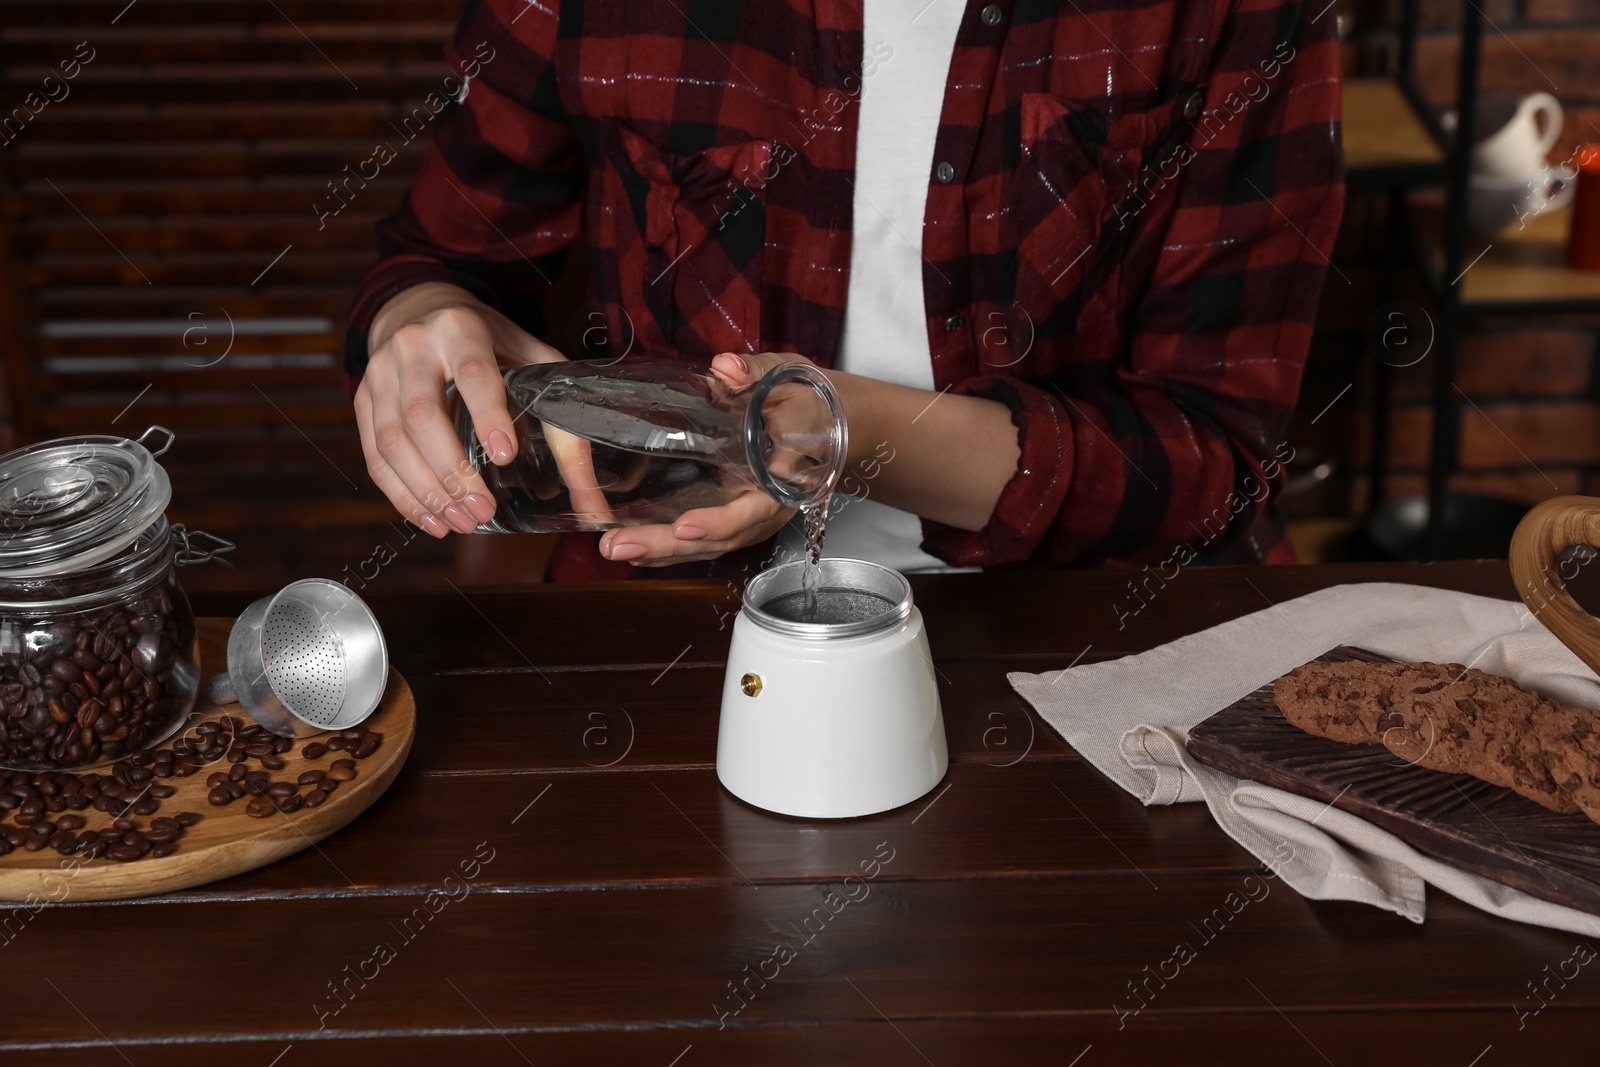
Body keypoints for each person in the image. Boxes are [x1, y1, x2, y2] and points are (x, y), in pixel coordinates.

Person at [345, 0, 1343, 581]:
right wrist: (423, 327)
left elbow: (1215, 464)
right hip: (677, 616)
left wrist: (844, 433)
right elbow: (440, 260)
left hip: (1086, 632)